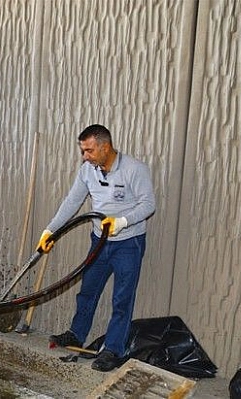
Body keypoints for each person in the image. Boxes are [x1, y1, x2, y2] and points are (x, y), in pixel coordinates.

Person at [37, 124, 155, 372]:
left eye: (89, 150)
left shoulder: (134, 169)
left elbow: (148, 205)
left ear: (105, 146)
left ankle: (113, 349)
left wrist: (123, 221)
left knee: (122, 298)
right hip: (98, 241)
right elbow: (72, 202)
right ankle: (76, 334)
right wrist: (50, 230)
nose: (85, 156)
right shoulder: (88, 171)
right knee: (88, 291)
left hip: (128, 244)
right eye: (83, 151)